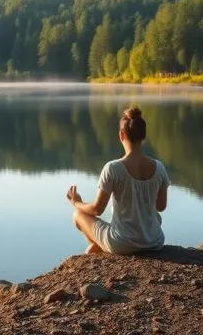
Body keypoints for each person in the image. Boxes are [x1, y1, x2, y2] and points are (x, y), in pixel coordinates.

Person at [67, 106, 169, 254]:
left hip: (122, 243)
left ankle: (96, 251)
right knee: (155, 218)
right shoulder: (159, 168)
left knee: (78, 215)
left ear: (121, 135)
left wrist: (76, 202)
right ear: (143, 137)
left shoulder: (113, 168)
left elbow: (97, 210)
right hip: (155, 241)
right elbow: (160, 206)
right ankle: (97, 249)